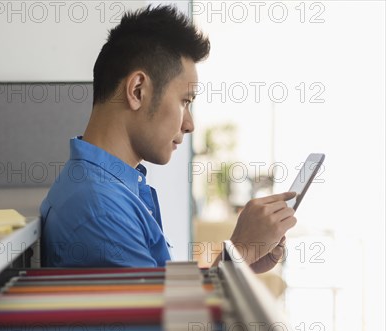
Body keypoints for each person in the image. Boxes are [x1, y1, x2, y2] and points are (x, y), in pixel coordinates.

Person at [39, 4, 296, 273]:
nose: (189, 125)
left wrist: (243, 264)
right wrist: (238, 252)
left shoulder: (110, 189)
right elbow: (170, 316)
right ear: (137, 91)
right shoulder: (101, 209)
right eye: (185, 101)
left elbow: (162, 299)